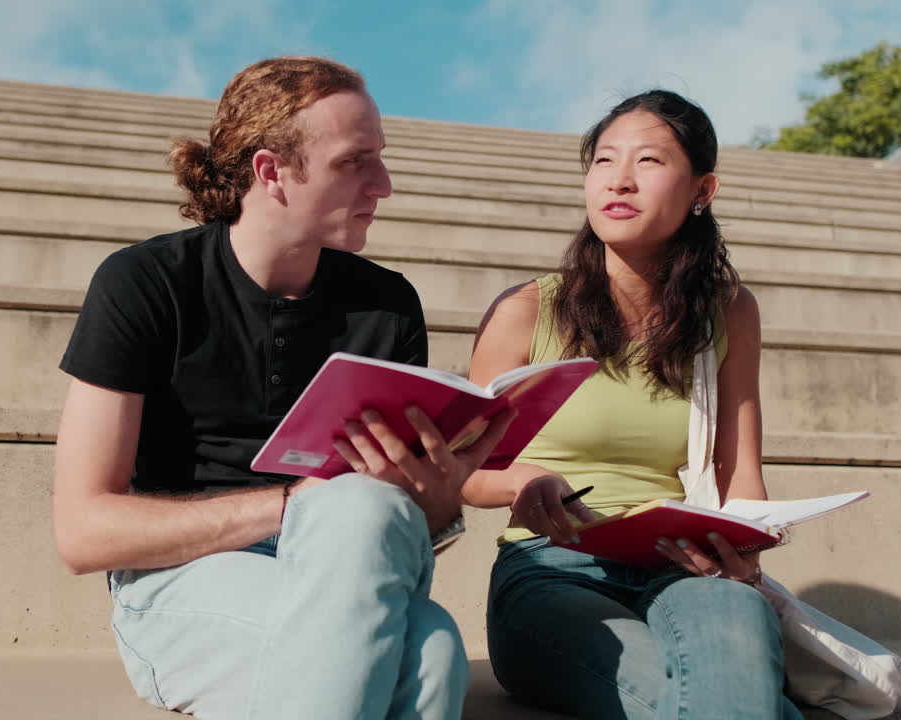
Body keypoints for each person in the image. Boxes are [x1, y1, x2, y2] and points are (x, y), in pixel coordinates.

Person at [51, 56, 514, 720]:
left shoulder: (386, 305)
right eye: (356, 162)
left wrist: (436, 502)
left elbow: (411, 533)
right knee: (428, 642)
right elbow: (82, 531)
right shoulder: (145, 284)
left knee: (416, 610)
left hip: (355, 569)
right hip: (176, 586)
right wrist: (298, 506)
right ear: (272, 172)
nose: (383, 184)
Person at [462, 90, 802, 720]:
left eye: (648, 161)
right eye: (604, 161)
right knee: (718, 700)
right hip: (553, 569)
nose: (619, 179)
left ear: (703, 190)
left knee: (729, 642)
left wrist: (744, 556)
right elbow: (460, 469)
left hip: (684, 563)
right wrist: (522, 480)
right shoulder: (528, 311)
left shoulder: (729, 310)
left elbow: (739, 471)